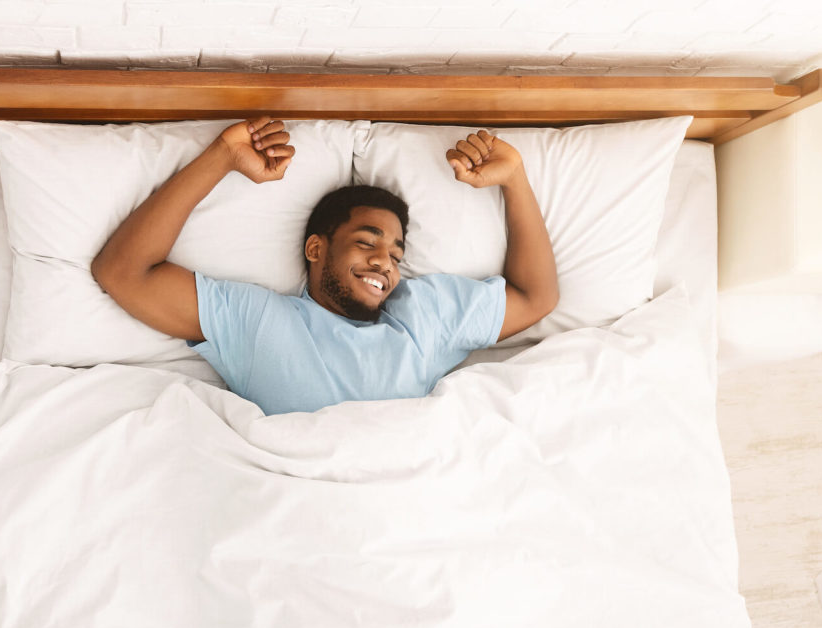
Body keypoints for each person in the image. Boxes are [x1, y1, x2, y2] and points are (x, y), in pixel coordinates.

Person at [91, 116, 558, 415]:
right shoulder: (260, 323)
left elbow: (536, 297)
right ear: (316, 249)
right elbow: (122, 272)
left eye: (397, 254)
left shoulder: (427, 315)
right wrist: (222, 158)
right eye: (367, 242)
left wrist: (514, 179)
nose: (386, 263)